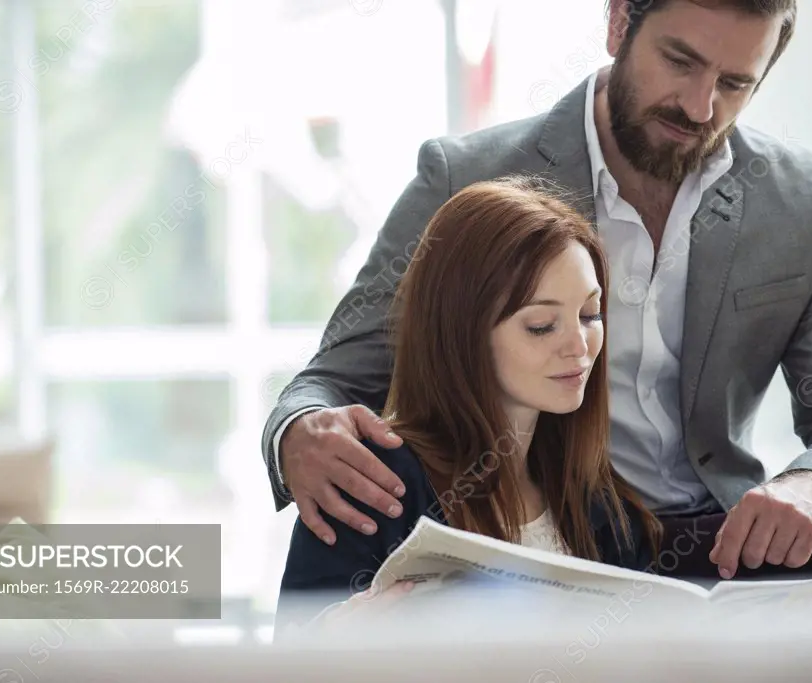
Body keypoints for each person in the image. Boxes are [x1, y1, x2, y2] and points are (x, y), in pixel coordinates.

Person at [263, 0, 812, 582]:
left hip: (722, 545)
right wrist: (295, 432)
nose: (700, 105)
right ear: (619, 22)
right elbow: (339, 376)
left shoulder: (802, 200)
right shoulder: (467, 179)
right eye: (679, 61)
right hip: (548, 539)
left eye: (736, 83)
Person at [276, 178, 661, 629]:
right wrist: (333, 643)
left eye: (590, 315)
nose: (579, 346)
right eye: (541, 325)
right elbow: (290, 656)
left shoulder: (603, 510)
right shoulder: (371, 484)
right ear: (463, 333)